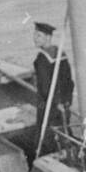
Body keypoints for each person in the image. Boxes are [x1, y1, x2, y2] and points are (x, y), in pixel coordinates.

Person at [31, 22, 73, 155]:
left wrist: (56, 102)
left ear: (48, 37)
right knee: (64, 129)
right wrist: (66, 101)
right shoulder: (61, 53)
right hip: (63, 103)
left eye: (38, 35)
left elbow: (45, 87)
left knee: (46, 134)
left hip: (49, 104)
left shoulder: (42, 59)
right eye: (35, 35)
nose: (35, 38)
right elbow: (69, 81)